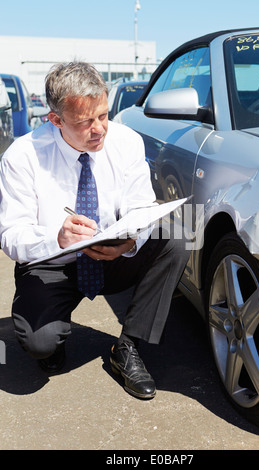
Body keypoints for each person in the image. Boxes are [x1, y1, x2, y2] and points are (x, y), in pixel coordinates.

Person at [0, 61, 190, 399]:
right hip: (53, 262)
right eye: (85, 121)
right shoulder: (22, 156)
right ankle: (50, 327)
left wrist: (130, 241)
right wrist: (55, 237)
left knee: (177, 235)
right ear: (55, 120)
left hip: (112, 255)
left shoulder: (126, 142)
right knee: (40, 345)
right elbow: (10, 234)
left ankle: (129, 348)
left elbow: (141, 206)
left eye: (103, 115)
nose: (99, 129)